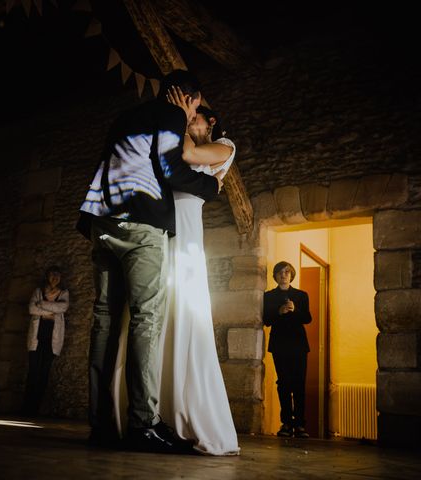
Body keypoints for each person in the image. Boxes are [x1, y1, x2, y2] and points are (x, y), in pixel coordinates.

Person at [77, 69, 220, 453]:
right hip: (142, 225)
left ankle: (101, 424)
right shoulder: (172, 114)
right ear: (189, 98)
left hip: (102, 221)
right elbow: (171, 168)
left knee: (104, 322)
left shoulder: (125, 116)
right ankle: (144, 424)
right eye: (195, 108)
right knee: (147, 320)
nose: (193, 117)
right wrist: (211, 187)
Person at [112, 93, 240, 455]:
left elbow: (188, 155)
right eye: (189, 118)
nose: (190, 122)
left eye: (196, 118)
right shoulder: (176, 144)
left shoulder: (225, 146)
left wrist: (179, 119)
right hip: (164, 228)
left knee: (185, 311)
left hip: (188, 231)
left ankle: (188, 412)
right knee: (153, 312)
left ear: (211, 122)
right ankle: (147, 411)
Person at [263, 261, 312, 438]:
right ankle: (286, 424)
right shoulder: (268, 296)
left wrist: (295, 310)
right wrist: (279, 312)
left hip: (299, 345)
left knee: (299, 384)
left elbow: (307, 318)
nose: (284, 275)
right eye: (280, 272)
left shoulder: (301, 295)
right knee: (283, 383)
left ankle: (299, 424)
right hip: (279, 345)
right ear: (275, 276)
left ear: (291, 275)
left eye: (287, 272)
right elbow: (266, 320)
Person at [22, 266, 69, 416]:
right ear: (47, 276)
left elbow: (63, 307)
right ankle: (26, 408)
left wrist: (41, 305)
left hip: (52, 341)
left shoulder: (64, 293)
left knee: (44, 374)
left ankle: (35, 409)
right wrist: (51, 311)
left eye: (58, 275)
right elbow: (31, 309)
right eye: (52, 274)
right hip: (36, 339)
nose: (55, 277)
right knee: (33, 373)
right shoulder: (38, 291)